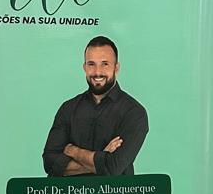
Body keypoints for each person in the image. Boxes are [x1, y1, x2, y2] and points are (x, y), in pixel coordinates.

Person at [42, 36, 149, 177]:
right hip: (70, 192)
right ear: (84, 67)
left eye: (105, 64)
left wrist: (74, 151)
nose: (98, 72)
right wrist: (102, 157)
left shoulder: (134, 112)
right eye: (91, 64)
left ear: (116, 68)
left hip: (113, 192)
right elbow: (49, 164)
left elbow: (113, 168)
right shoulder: (68, 108)